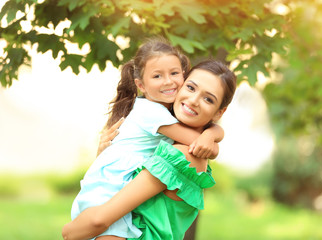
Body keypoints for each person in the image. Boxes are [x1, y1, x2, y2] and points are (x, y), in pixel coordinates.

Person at [65, 38, 224, 239]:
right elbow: (198, 141)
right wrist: (214, 137)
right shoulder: (152, 112)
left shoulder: (161, 111)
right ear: (141, 85)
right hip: (110, 183)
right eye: (157, 76)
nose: (168, 81)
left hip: (113, 182)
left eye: (174, 73)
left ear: (183, 75)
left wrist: (214, 133)